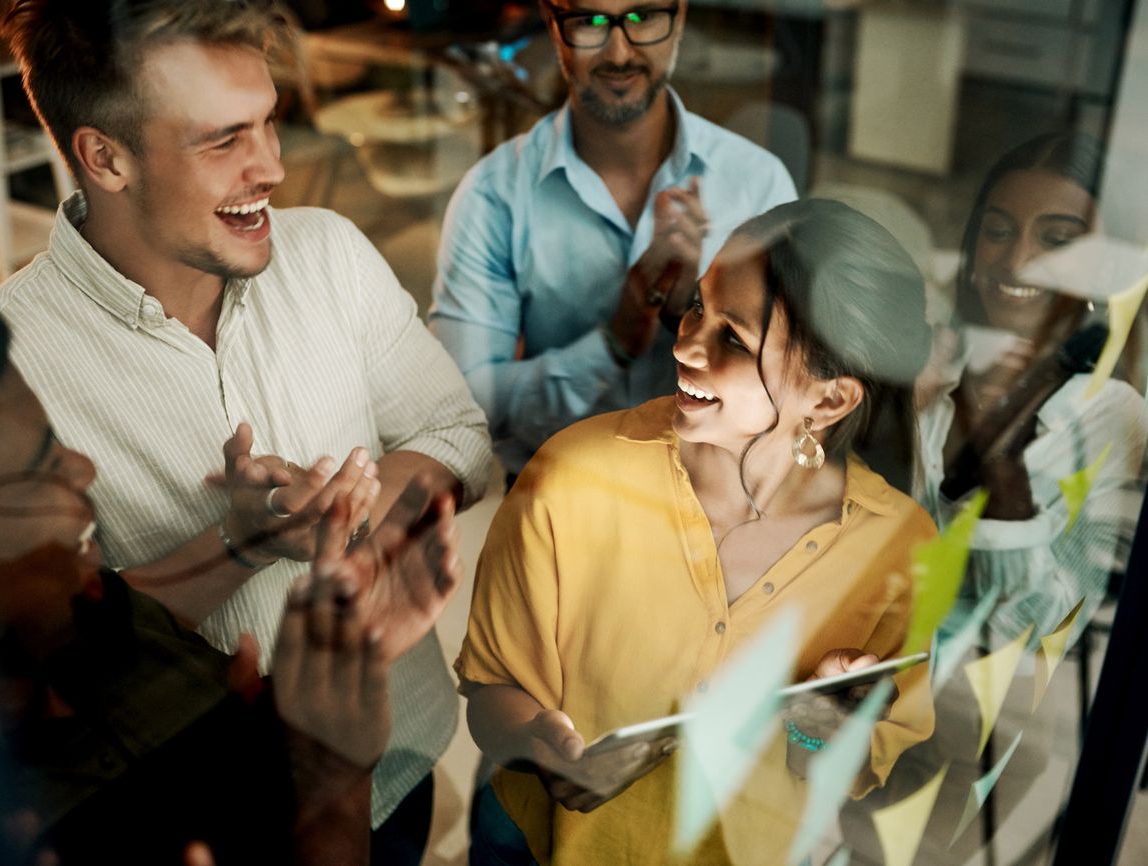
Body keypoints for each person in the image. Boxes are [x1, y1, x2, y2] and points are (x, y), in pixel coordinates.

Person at [0, 1, 492, 856]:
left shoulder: (330, 252)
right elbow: (49, 656)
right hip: (192, 823)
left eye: (267, 123)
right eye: (223, 140)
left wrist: (355, 529)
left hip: (393, 760)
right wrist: (239, 545)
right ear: (105, 157)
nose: (271, 168)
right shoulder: (6, 369)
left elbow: (456, 434)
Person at [455, 199, 938, 865]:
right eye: (694, 308)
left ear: (828, 400)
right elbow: (490, 692)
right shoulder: (571, 478)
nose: (684, 345)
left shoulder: (897, 549)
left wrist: (821, 728)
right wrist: (535, 743)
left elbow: (867, 765)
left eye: (733, 340)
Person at [0, 290, 466, 865]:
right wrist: (331, 781)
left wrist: (247, 542)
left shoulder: (62, 614)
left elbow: (129, 606)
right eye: (43, 467)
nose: (84, 469)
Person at [841, 132, 1148, 864]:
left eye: (1057, 240)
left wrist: (1000, 458)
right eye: (998, 232)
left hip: (976, 749)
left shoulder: (1109, 416)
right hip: (848, 708)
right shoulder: (922, 368)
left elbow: (1029, 630)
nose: (1015, 264)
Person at [429, 0, 797, 480]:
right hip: (556, 504)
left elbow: (791, 389)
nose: (620, 53)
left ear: (680, 16)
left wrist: (693, 310)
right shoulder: (493, 195)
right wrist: (613, 342)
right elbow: (465, 407)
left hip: (719, 509)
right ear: (552, 25)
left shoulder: (758, 183)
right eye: (589, 21)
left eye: (643, 16)